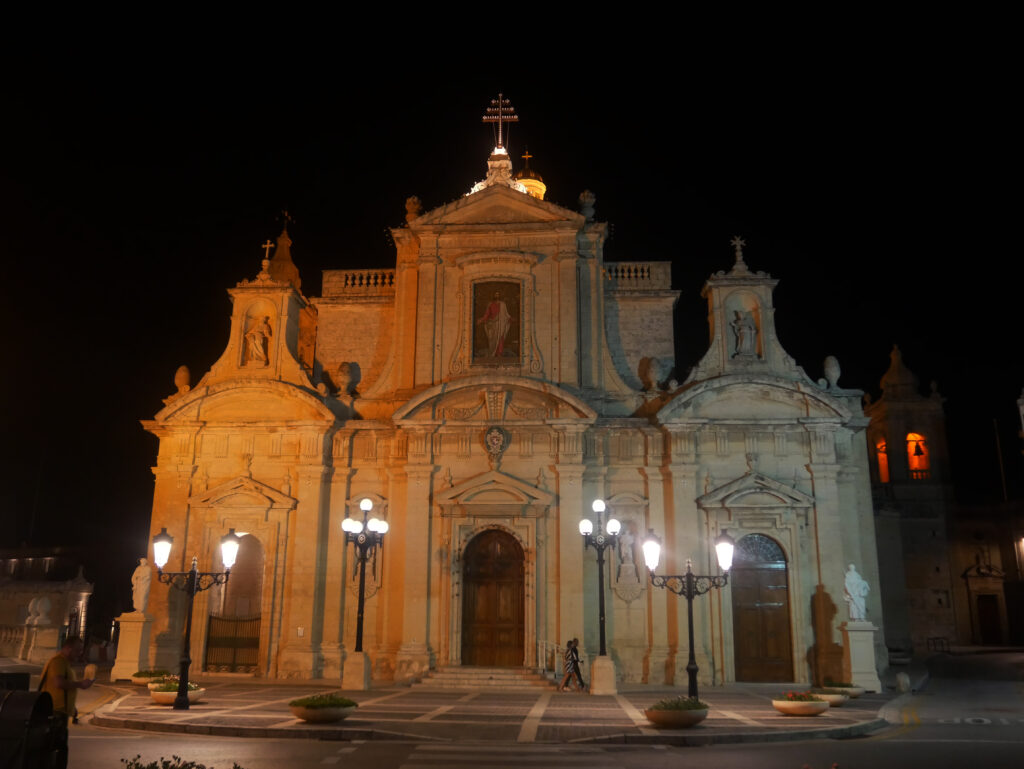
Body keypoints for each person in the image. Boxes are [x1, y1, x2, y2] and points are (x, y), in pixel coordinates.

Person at [40, 636, 93, 769]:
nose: (80, 653)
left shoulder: (64, 663)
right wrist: (80, 684)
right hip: (54, 712)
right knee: (55, 751)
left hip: (60, 712)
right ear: (68, 649)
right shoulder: (58, 662)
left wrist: (72, 707)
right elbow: (59, 683)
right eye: (78, 650)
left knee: (58, 750)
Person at [477, 291, 512, 357]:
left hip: (501, 324)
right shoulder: (490, 304)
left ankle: (499, 353)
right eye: (495, 294)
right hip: (493, 324)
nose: (497, 295)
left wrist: (510, 319)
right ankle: (493, 353)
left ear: (500, 295)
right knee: (493, 339)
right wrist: (481, 320)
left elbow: (506, 314)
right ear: (493, 295)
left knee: (500, 338)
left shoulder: (503, 304)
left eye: (498, 294)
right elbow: (487, 315)